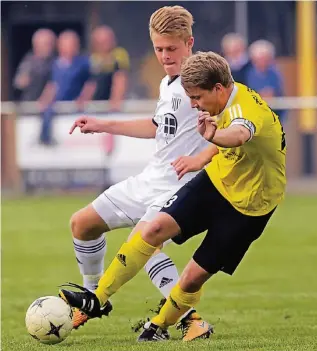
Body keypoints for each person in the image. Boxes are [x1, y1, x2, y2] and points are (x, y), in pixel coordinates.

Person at [60, 51, 286, 342]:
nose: (194, 104)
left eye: (197, 98)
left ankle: (159, 326)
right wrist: (201, 158)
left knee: (193, 277)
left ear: (218, 89)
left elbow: (238, 136)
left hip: (249, 209)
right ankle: (96, 297)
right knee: (151, 229)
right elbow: (228, 144)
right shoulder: (218, 98)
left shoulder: (247, 110)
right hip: (214, 183)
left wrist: (212, 136)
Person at [60, 6, 215, 341]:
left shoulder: (203, 81)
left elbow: (230, 121)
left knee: (144, 245)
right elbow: (157, 127)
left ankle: (191, 319)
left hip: (180, 186)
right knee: (82, 223)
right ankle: (93, 297)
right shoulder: (168, 82)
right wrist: (102, 124)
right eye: (158, 49)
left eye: (171, 48)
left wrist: (202, 158)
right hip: (151, 178)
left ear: (189, 43)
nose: (164, 56)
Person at [38, 31, 94, 145]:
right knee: (47, 113)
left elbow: (91, 83)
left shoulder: (84, 63)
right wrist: (44, 99)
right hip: (59, 104)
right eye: (64, 44)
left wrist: (83, 98)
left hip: (76, 105)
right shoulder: (55, 64)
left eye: (71, 44)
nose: (68, 47)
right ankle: (45, 139)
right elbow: (52, 85)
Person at [247, 39, 287, 124]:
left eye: (265, 58)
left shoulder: (274, 73)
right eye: (259, 59)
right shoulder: (248, 74)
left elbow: (278, 91)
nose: (262, 62)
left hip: (274, 114)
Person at [90, 25, 129, 111]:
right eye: (100, 42)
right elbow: (91, 83)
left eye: (106, 41)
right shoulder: (93, 58)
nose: (104, 45)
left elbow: (120, 78)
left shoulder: (119, 54)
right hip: (95, 106)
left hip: (110, 106)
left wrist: (115, 101)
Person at [13, 28, 56, 102]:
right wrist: (22, 81)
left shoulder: (57, 61)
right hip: (30, 105)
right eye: (45, 44)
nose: (48, 47)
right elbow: (18, 83)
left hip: (53, 106)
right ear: (36, 45)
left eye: (50, 44)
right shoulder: (28, 61)